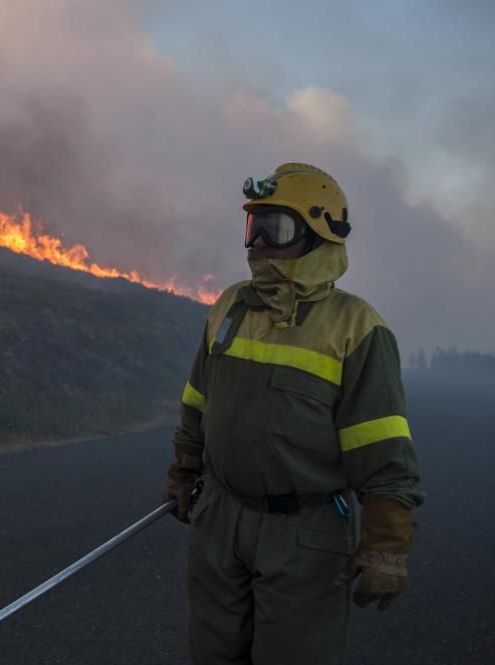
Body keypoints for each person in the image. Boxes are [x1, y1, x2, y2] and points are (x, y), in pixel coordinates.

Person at [163, 163, 424, 665]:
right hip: (220, 518)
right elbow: (198, 400)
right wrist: (184, 470)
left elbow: (382, 445)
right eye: (252, 227)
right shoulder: (229, 306)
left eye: (275, 229)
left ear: (319, 238)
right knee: (210, 653)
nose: (257, 244)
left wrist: (387, 543)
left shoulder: (357, 328)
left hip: (304, 532)